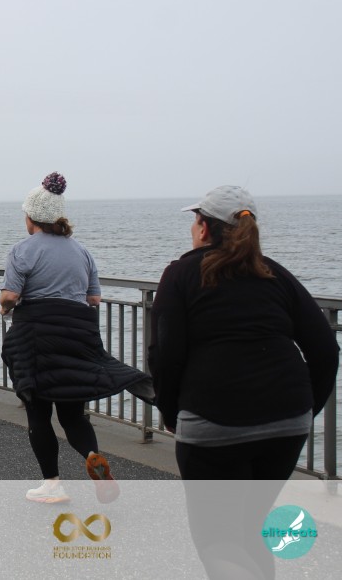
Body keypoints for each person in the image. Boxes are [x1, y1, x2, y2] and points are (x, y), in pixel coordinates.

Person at [148, 185, 338, 579]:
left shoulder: (181, 274)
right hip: (287, 422)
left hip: (213, 423)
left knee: (217, 541)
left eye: (195, 221)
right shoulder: (275, 274)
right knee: (251, 529)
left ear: (204, 228)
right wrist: (305, 409)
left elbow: (166, 354)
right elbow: (325, 349)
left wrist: (170, 413)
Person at [0, 172, 153, 505]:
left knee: (38, 413)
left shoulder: (22, 250)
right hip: (76, 338)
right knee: (72, 415)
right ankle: (93, 458)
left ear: (31, 217)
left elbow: (10, 295)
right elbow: (94, 299)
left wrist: (5, 307)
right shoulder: (81, 251)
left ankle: (52, 485)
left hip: (36, 340)